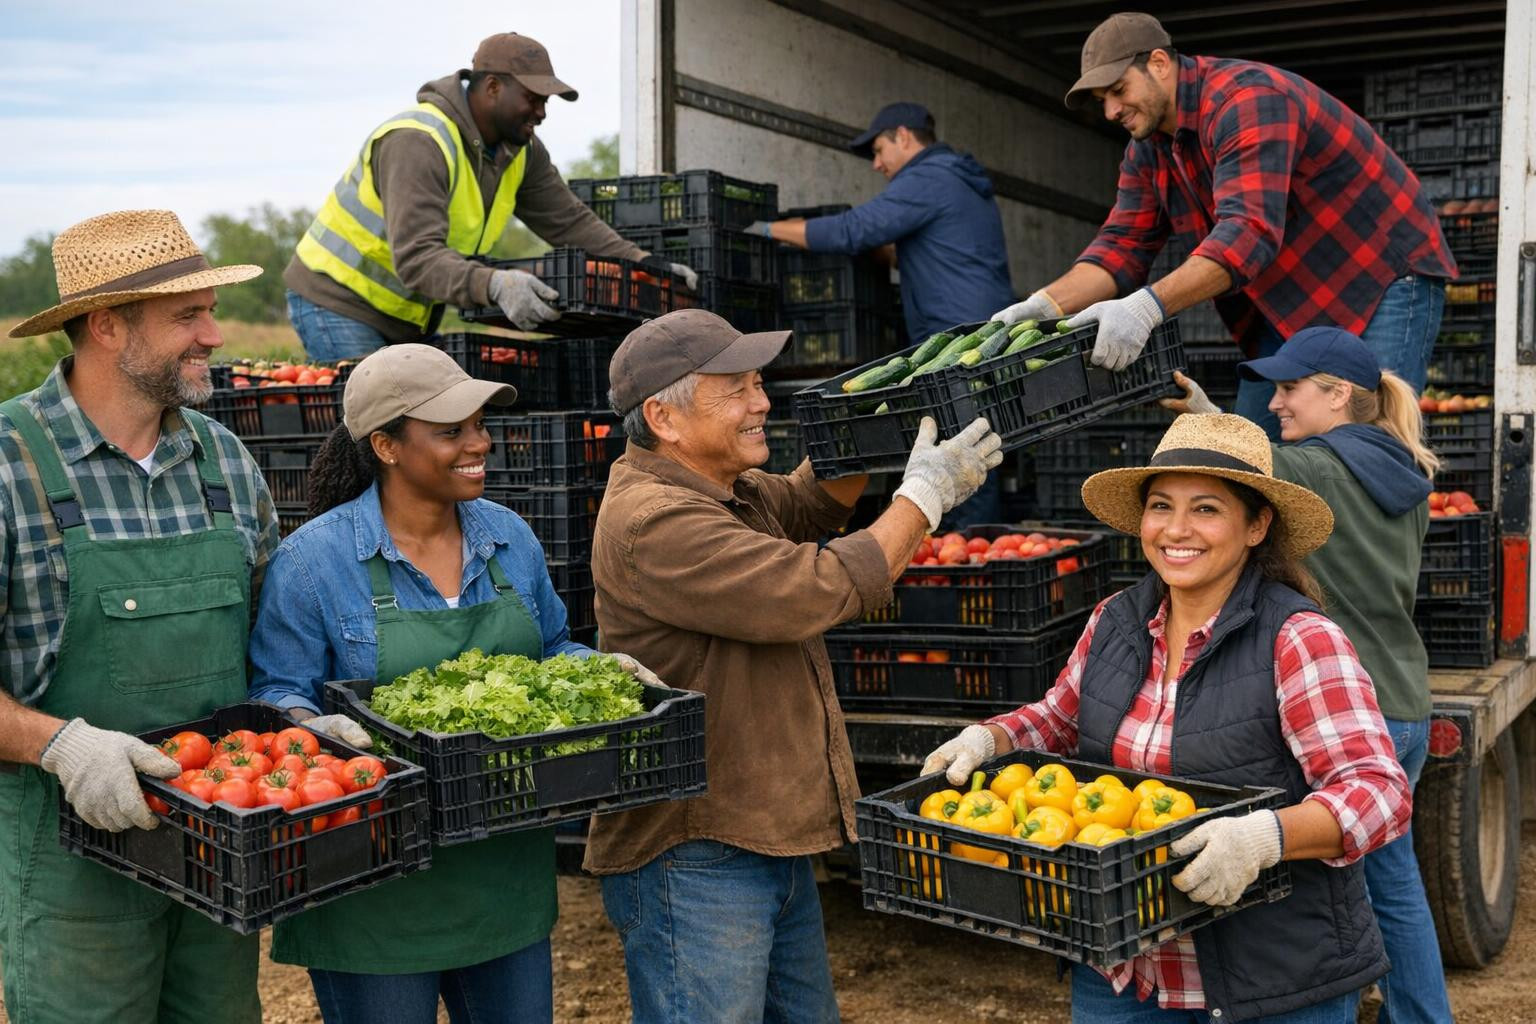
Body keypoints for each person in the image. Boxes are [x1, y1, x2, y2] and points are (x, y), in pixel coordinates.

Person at [582, 308, 1002, 1022]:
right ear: (664, 417)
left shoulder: (725, 489)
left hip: (758, 832)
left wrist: (877, 423)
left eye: (758, 383)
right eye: (737, 389)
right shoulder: (655, 520)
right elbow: (811, 588)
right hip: (697, 852)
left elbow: (809, 502)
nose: (763, 403)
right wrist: (924, 496)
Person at [923, 412, 1413, 1022]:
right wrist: (990, 739)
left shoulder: (1298, 639)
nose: (1177, 530)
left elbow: (1379, 792)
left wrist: (1265, 838)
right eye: (1161, 506)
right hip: (1126, 968)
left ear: (1256, 525)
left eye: (1206, 509)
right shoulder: (1116, 621)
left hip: (1272, 976)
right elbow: (1060, 717)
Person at [246, 344, 662, 1023]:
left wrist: (596, 669)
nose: (480, 443)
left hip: (502, 875)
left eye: (479, 424)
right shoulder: (314, 562)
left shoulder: (509, 538)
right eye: (451, 431)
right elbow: (275, 691)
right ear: (385, 445)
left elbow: (551, 646)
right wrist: (314, 728)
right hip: (370, 883)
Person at [0, 210, 279, 1022]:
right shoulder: (12, 466)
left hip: (218, 853)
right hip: (70, 869)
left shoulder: (224, 462)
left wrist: (298, 715)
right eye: (188, 315)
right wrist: (59, 743)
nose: (214, 334)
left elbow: (265, 642)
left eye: (210, 311)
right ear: (108, 326)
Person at [1165, 326, 1453, 1023]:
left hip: (1340, 711)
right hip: (1405, 703)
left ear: (1339, 393)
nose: (1278, 403)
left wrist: (1211, 424)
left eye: (1291, 389)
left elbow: (1243, 484)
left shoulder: (1317, 468)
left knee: (1335, 906)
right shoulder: (1405, 473)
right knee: (1392, 884)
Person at [993, 12, 1456, 438]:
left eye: (1118, 91)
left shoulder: (1248, 99)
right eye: (1102, 100)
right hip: (1286, 299)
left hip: (1382, 275)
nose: (1111, 111)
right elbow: (1122, 246)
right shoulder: (1148, 149)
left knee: (1373, 441)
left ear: (1158, 63)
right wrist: (1042, 306)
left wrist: (1145, 309)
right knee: (1248, 456)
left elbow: (1249, 232)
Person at [284, 31, 697, 360]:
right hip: (338, 303)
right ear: (494, 87)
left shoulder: (520, 152)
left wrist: (643, 263)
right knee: (374, 443)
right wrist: (495, 285)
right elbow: (417, 258)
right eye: (533, 99)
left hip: (409, 316)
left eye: (546, 101)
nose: (542, 113)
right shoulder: (419, 141)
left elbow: (569, 222)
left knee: (411, 445)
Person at [746, 102, 1013, 348]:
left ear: (903, 136)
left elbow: (852, 230)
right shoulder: (955, 176)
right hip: (983, 323)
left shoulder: (927, 179)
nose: (875, 164)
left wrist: (770, 229)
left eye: (878, 150)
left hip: (959, 332)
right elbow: (946, 251)